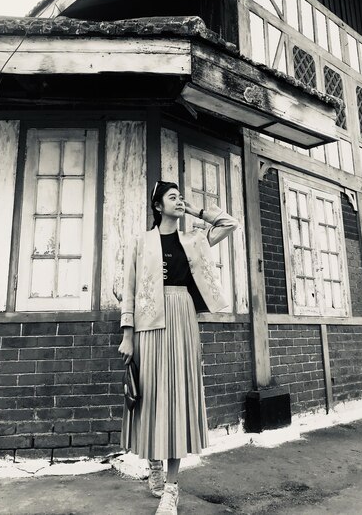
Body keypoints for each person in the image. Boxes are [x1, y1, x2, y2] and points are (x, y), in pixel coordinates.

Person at [118, 180, 239, 514]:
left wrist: (198, 211)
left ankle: (172, 488)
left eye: (181, 197)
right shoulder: (141, 242)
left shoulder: (194, 238)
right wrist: (127, 333)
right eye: (173, 197)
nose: (179, 200)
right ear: (158, 206)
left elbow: (229, 223)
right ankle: (153, 463)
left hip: (183, 318)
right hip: (148, 323)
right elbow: (128, 288)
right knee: (152, 395)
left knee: (177, 398)